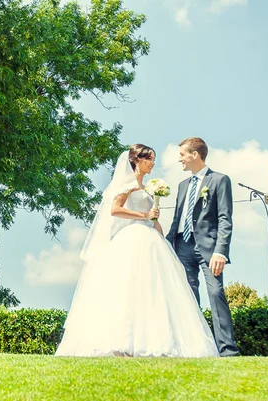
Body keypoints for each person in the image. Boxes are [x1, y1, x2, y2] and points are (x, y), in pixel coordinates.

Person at [55, 144, 219, 358]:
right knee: (129, 289)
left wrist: (161, 233)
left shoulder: (147, 187)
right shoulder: (128, 184)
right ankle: (122, 344)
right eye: (149, 159)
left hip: (151, 239)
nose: (152, 163)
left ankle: (151, 340)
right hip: (132, 239)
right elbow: (115, 210)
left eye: (153, 159)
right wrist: (144, 216)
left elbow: (153, 218)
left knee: (153, 291)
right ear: (137, 160)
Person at [166, 137, 240, 357]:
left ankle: (228, 350)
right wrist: (166, 245)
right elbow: (177, 218)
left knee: (216, 292)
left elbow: (225, 219)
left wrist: (221, 251)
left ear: (195, 155)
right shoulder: (182, 186)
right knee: (187, 296)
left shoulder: (219, 180)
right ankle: (192, 348)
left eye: (182, 155)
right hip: (181, 245)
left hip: (209, 248)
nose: (179, 159)